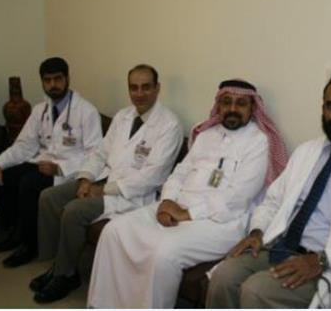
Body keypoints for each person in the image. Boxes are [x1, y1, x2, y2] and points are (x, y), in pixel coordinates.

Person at [207, 71, 331, 308]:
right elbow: (273, 201)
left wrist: (322, 260)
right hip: (281, 247)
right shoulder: (306, 152)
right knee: (224, 275)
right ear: (323, 110)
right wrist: (257, 231)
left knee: (256, 290)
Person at [87, 79, 287, 309]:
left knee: (164, 253)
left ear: (252, 108)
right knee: (113, 231)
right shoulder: (206, 134)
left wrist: (186, 214)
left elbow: (238, 198)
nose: (232, 108)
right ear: (219, 105)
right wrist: (167, 202)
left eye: (241, 103)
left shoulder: (260, 142)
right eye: (226, 102)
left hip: (220, 222)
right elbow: (180, 172)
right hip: (177, 207)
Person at [30, 64, 183, 304]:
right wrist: (85, 178)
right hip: (104, 177)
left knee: (74, 211)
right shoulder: (123, 116)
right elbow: (100, 153)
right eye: (134, 87)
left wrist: (102, 190)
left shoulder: (169, 125)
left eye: (146, 87)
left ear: (157, 88)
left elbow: (152, 177)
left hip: (130, 195)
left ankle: (66, 275)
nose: (139, 93)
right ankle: (57, 264)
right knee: (49, 197)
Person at [0, 57, 102, 268]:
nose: (53, 85)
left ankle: (30, 245)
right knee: (6, 177)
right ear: (42, 82)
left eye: (58, 79)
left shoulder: (87, 111)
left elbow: (96, 154)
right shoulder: (40, 110)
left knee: (29, 183)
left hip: (69, 171)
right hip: (42, 163)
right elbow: (24, 145)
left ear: (67, 78)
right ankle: (15, 232)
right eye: (47, 80)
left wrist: (60, 168)